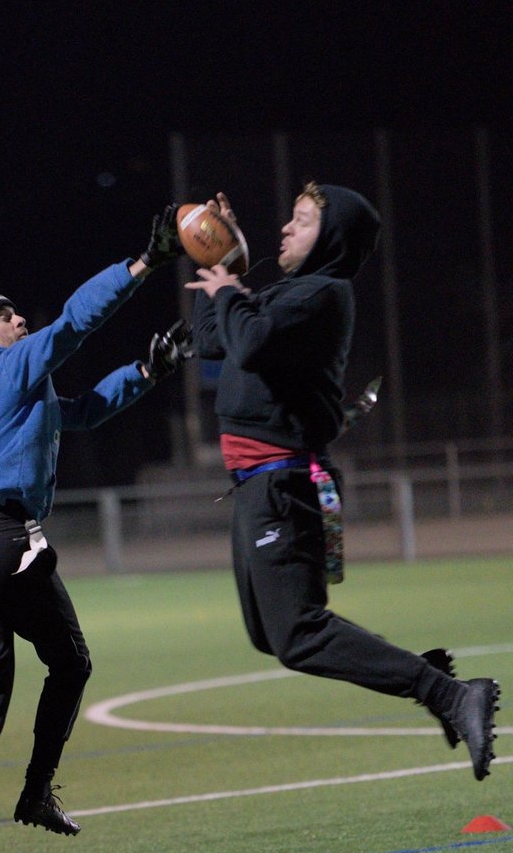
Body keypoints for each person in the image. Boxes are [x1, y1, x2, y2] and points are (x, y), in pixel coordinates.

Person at [185, 181, 499, 779]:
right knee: (270, 633)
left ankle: (448, 693)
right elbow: (211, 342)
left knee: (298, 633)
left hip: (284, 484)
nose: (284, 228)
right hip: (259, 484)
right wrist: (219, 262)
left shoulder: (324, 294)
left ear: (329, 238)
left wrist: (230, 292)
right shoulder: (288, 293)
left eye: (301, 221)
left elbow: (247, 345)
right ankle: (431, 679)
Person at [0, 209, 190, 853]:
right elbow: (75, 323)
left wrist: (147, 369)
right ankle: (35, 792)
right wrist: (144, 263)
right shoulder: (7, 363)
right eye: (10, 314)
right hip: (2, 544)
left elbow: (80, 411)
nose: (21, 321)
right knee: (72, 661)